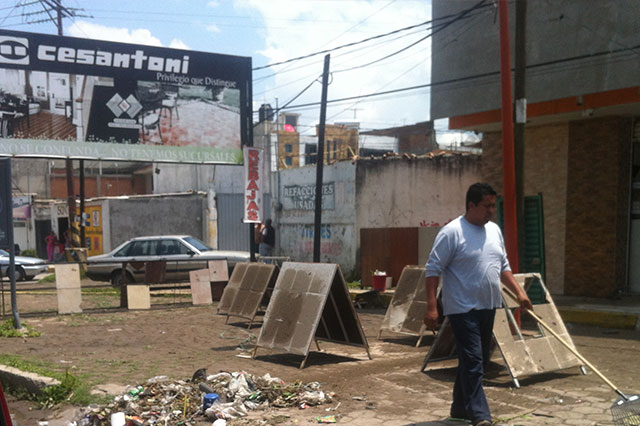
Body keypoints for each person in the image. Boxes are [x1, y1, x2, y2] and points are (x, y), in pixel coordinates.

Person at [423, 182, 533, 426]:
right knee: (474, 361)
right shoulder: (452, 232)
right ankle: (480, 415)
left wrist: (520, 294)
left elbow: (503, 266)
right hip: (462, 308)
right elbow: (432, 270)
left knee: (475, 360)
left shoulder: (494, 230)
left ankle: (460, 410)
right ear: (471, 205)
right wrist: (432, 306)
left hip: (488, 306)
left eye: (494, 205)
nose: (492, 210)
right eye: (487, 206)